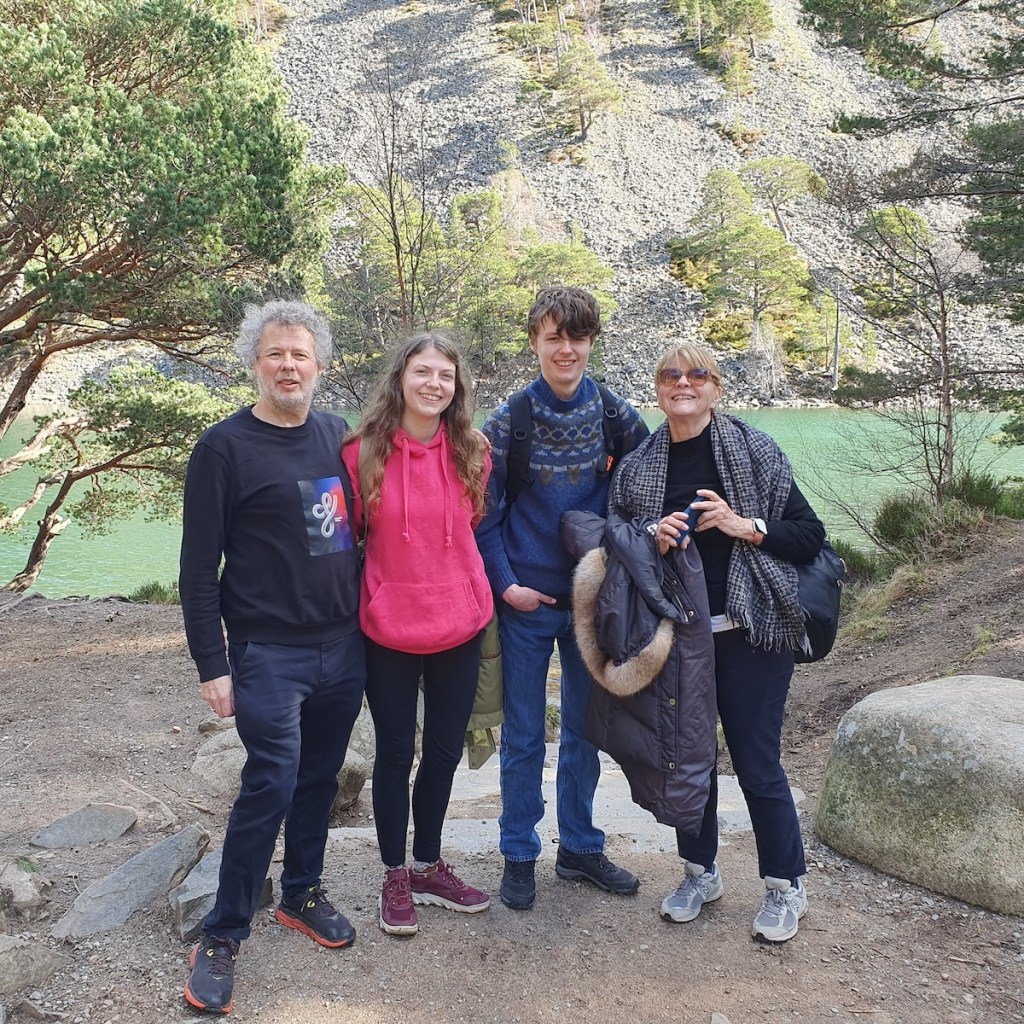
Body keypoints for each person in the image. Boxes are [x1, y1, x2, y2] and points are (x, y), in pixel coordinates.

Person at [179, 300, 365, 1014]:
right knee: (271, 782)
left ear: (320, 364)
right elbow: (199, 570)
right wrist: (211, 665)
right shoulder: (222, 449)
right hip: (267, 653)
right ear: (254, 363)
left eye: (301, 354)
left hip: (342, 646)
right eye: (275, 354)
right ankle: (222, 934)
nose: (289, 366)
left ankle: (301, 892)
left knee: (320, 778)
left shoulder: (336, 435)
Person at [607, 342, 825, 943]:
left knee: (757, 763)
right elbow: (613, 542)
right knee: (687, 762)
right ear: (657, 388)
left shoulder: (754, 449)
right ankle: (700, 872)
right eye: (670, 374)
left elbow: (809, 536)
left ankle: (786, 884)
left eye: (697, 373)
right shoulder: (639, 465)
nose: (683, 382)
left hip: (752, 635)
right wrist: (649, 535)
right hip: (677, 640)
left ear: (715, 387)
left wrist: (743, 526)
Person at [476, 286, 649, 910]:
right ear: (535, 343)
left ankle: (578, 845)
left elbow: (645, 492)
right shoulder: (508, 422)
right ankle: (518, 852)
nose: (566, 349)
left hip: (591, 605)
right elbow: (483, 518)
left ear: (591, 342)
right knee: (523, 735)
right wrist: (506, 586)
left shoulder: (617, 416)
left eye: (577, 337)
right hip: (526, 604)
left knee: (584, 730)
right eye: (554, 337)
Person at [341, 332, 493, 937]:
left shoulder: (475, 451)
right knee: (395, 753)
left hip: (460, 625)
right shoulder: (361, 453)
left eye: (445, 376)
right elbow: (348, 534)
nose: (434, 384)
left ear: (457, 389)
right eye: (423, 372)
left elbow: (474, 522)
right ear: (401, 378)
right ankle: (394, 872)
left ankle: (429, 864)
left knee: (444, 753)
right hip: (388, 630)